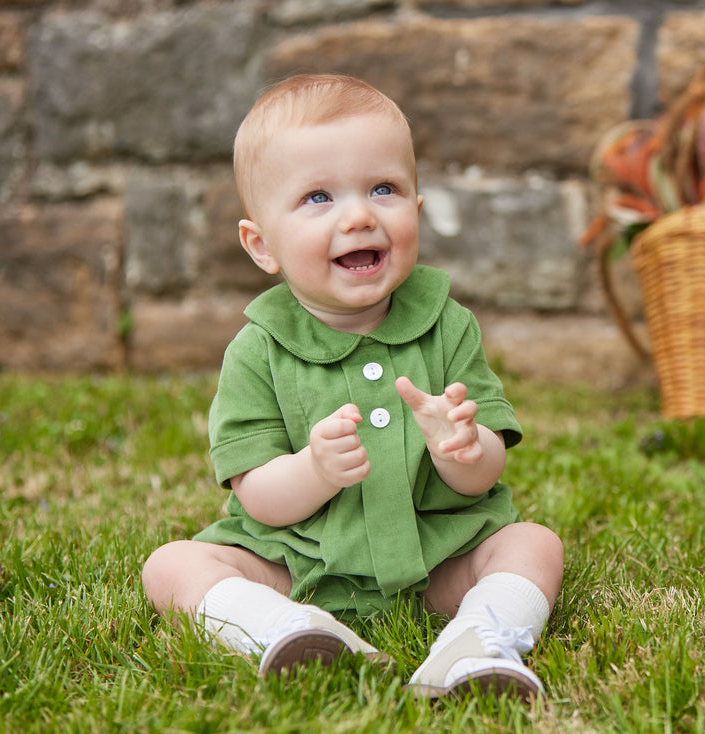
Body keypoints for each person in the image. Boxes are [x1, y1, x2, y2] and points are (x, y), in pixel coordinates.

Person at [141, 74, 564, 702]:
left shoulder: (447, 325)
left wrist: (466, 451)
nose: (360, 215)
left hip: (434, 557)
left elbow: (484, 478)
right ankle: (289, 630)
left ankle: (477, 642)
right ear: (262, 246)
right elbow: (256, 495)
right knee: (170, 566)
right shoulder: (257, 349)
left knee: (534, 544)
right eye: (318, 197)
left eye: (384, 188)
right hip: (298, 562)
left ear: (416, 210)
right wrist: (314, 469)